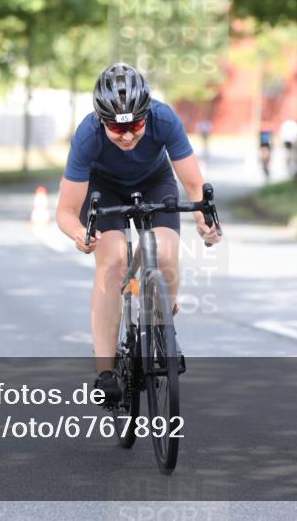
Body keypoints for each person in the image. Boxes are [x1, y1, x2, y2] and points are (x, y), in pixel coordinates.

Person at [55, 63, 222, 406]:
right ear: (102, 121)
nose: (127, 134)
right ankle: (105, 371)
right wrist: (78, 234)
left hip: (154, 181)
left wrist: (204, 221)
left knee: (163, 253)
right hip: (104, 190)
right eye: (117, 127)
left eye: (135, 124)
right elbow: (65, 211)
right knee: (114, 260)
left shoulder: (164, 119)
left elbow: (193, 184)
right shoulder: (88, 135)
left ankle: (162, 326)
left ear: (147, 115)